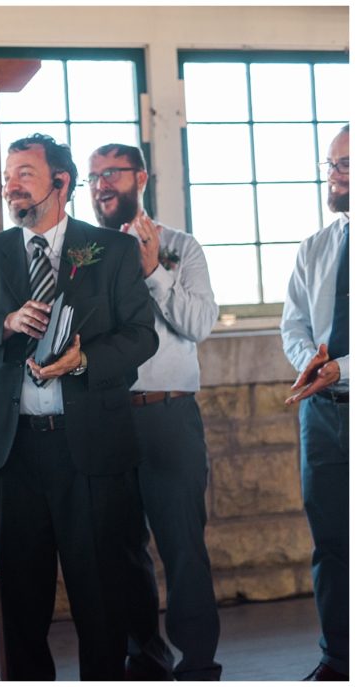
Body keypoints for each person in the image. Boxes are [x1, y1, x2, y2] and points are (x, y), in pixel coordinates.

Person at [0, 133, 158, 680]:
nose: (10, 186)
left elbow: (142, 336)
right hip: (13, 450)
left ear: (60, 183)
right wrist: (3, 324)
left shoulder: (111, 250)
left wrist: (83, 360)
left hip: (89, 446)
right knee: (21, 603)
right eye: (8, 177)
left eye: (24, 174)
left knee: (101, 599)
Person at [89, 143, 222, 680]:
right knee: (121, 548)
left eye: (112, 174)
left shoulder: (182, 248)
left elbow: (200, 324)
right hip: (107, 417)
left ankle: (198, 664)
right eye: (93, 177)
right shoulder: (85, 253)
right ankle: (144, 658)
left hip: (168, 417)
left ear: (140, 178)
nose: (101, 185)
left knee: (183, 545)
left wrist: (153, 272)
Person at [281, 123, 349, 682]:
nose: (334, 175)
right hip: (321, 413)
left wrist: (341, 368)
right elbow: (294, 324)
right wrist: (311, 363)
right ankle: (337, 659)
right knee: (330, 541)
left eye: (345, 164)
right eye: (331, 164)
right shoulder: (315, 247)